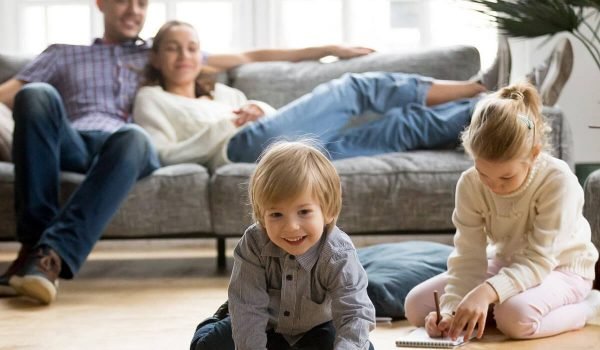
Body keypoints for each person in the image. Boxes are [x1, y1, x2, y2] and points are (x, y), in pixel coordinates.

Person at [0, 0, 374, 304]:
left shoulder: (156, 53)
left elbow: (249, 55)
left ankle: (47, 257)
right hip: (73, 139)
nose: (133, 10)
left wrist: (327, 48)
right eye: (123, 2)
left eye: (142, 3)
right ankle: (34, 251)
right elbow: (8, 93)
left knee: (133, 136)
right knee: (35, 95)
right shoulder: (63, 54)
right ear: (100, 3)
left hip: (126, 149)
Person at [134, 21, 511, 169]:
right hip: (240, 149)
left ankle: (496, 106)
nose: (184, 56)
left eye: (191, 47)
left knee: (402, 126)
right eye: (172, 48)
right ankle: (479, 84)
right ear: (155, 56)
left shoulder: (224, 92)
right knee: (353, 89)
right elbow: (160, 154)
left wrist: (257, 108)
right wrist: (224, 127)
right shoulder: (152, 99)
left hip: (286, 152)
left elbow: (273, 120)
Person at [403, 82, 600, 341]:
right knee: (416, 306)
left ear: (533, 154)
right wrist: (450, 310)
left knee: (515, 319)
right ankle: (495, 305)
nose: (494, 186)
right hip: (507, 263)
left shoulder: (558, 181)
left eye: (506, 177)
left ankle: (588, 306)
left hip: (561, 268)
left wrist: (485, 293)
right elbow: (468, 256)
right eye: (484, 173)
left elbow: (539, 261)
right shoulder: (470, 182)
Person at [190, 140, 376, 350]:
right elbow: (248, 309)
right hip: (263, 325)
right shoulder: (254, 243)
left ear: (329, 211)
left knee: (361, 346)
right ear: (262, 216)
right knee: (208, 345)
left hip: (316, 327)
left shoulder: (338, 253)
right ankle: (216, 321)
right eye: (276, 214)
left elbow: (355, 312)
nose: (291, 227)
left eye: (304, 212)